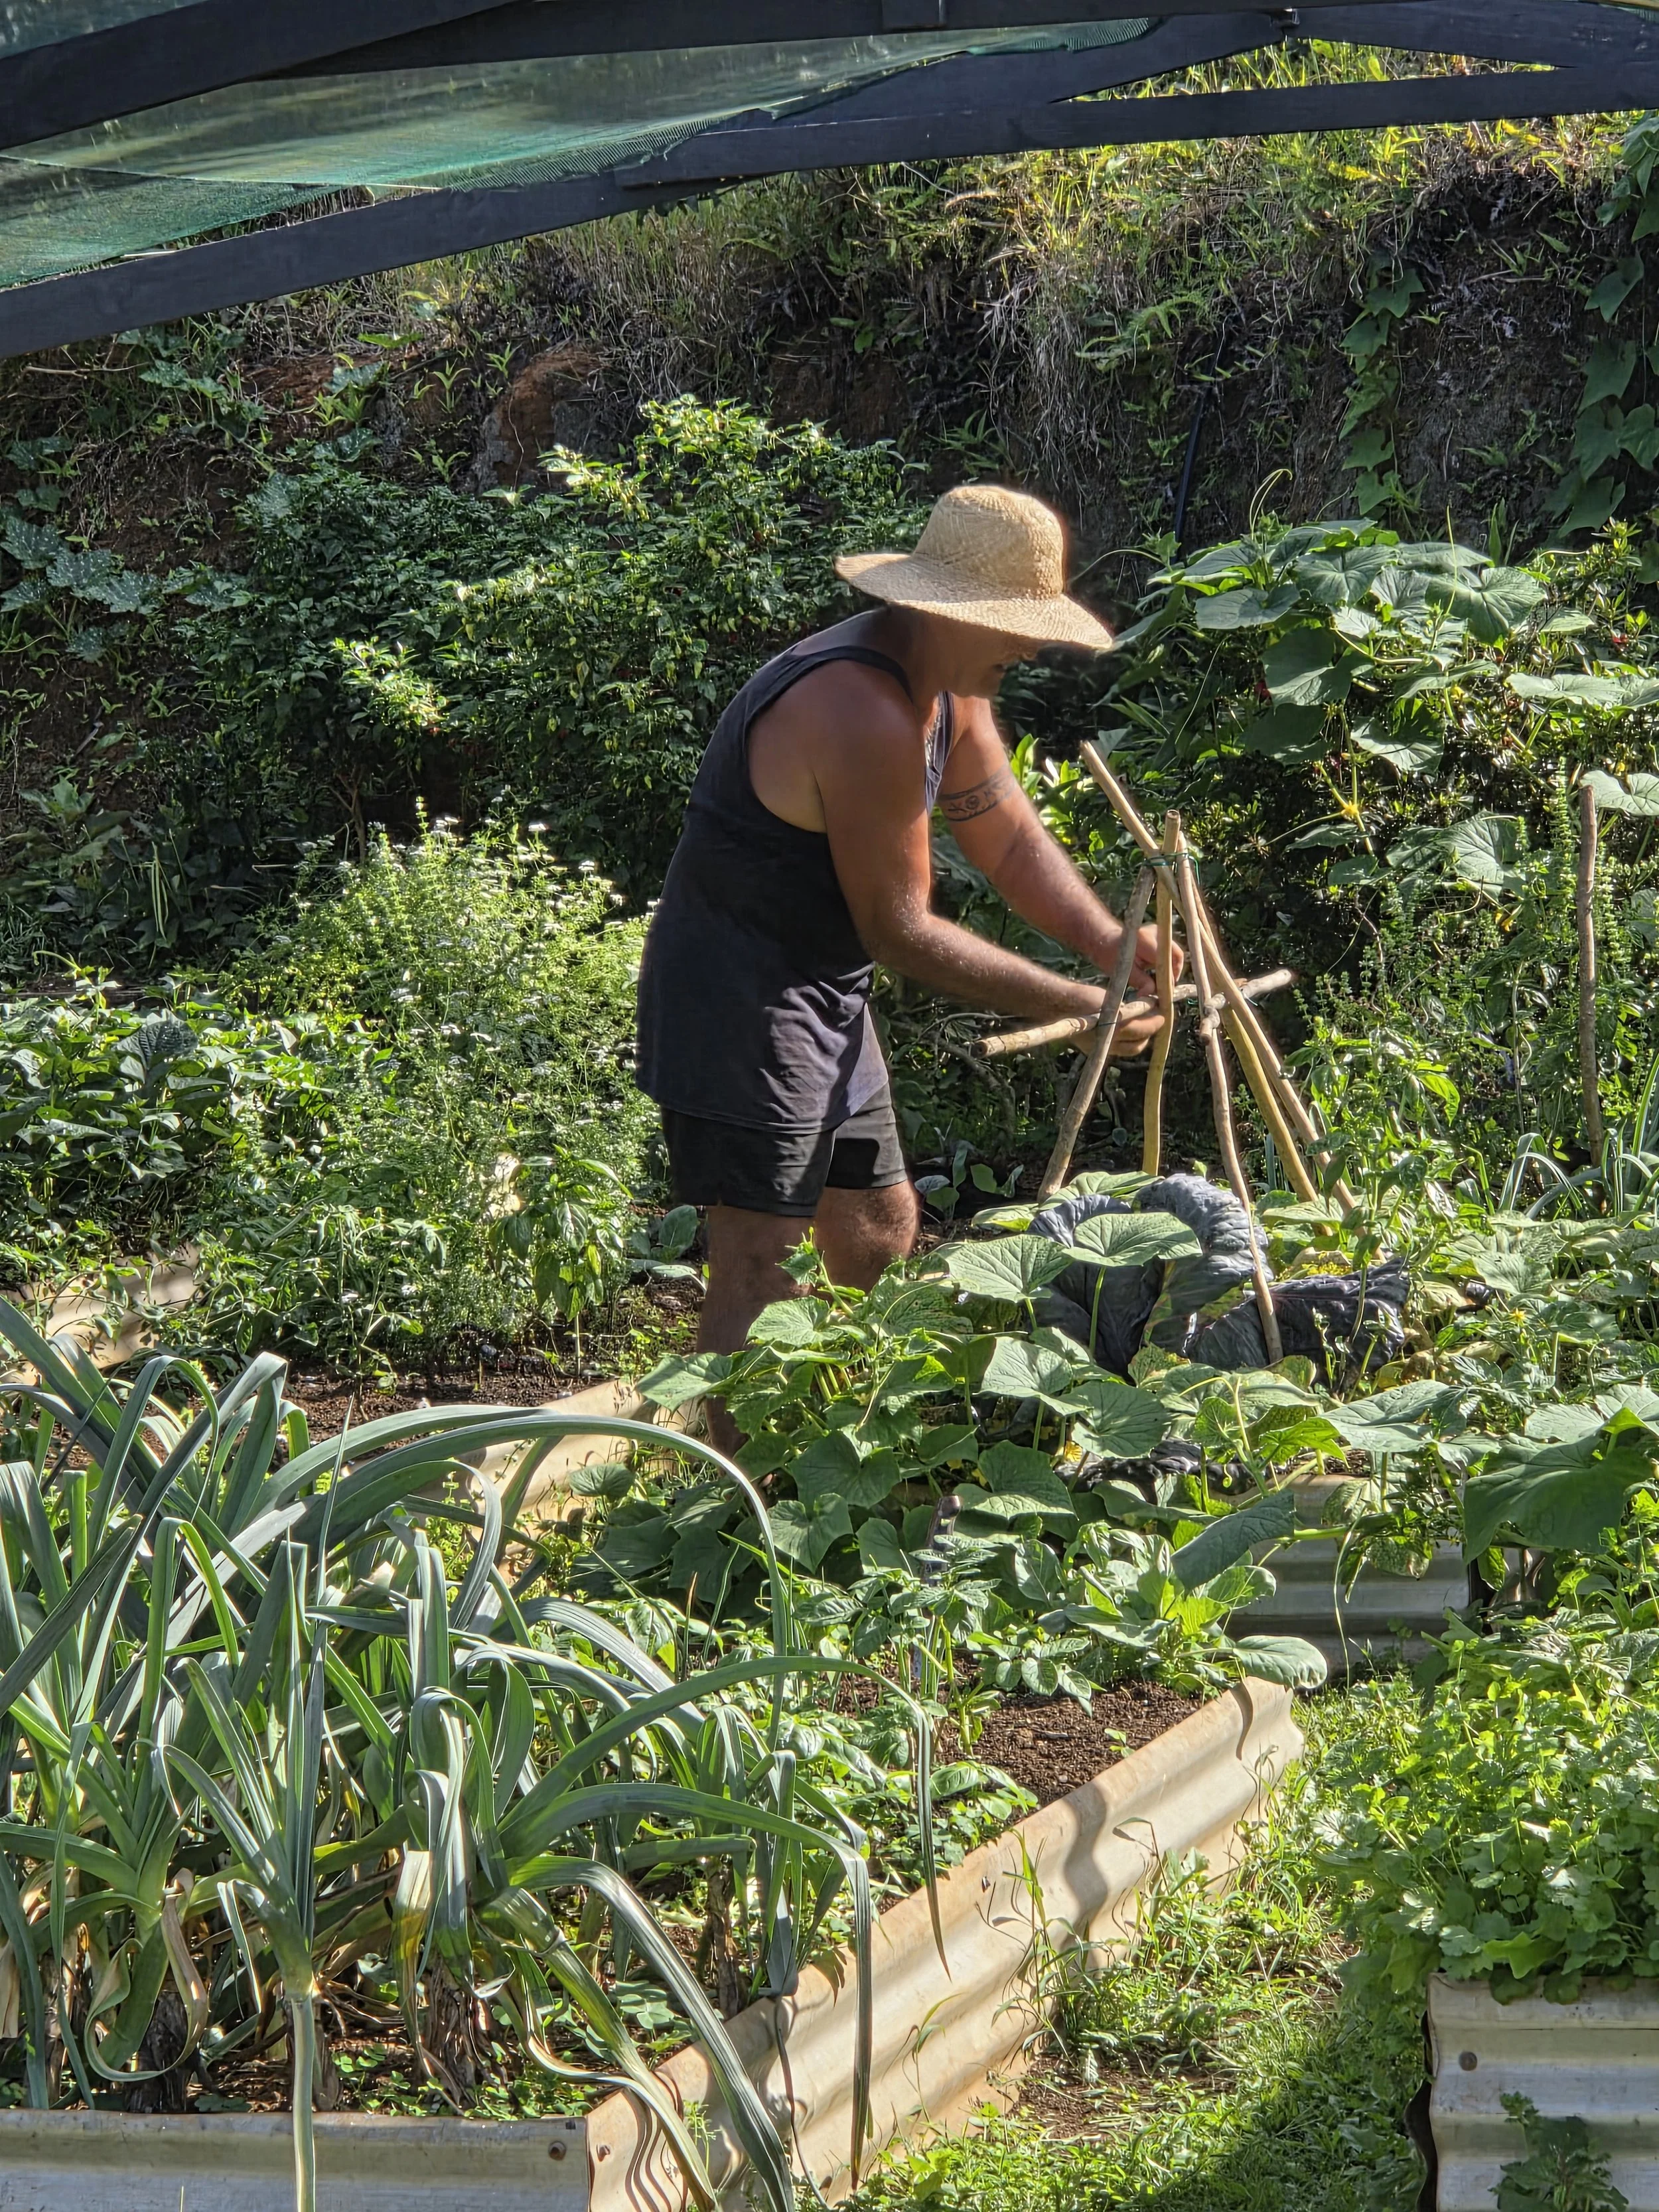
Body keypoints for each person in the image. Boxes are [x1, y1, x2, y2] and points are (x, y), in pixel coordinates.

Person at [636, 482, 1178, 1417]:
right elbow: (903, 931)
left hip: (822, 990)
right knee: (761, 1262)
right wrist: (1076, 1006)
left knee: (880, 1225)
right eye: (1013, 625)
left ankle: (845, 1434)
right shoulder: (862, 712)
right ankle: (729, 1501)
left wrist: (1113, 945)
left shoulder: (945, 696)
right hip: (740, 1001)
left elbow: (1004, 838)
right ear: (941, 610)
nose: (1030, 645)